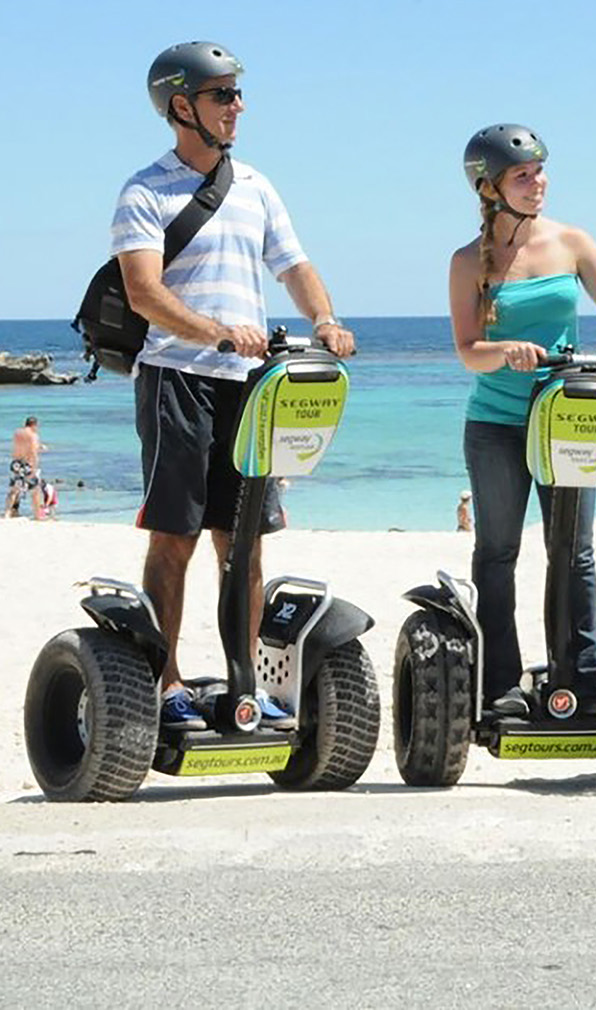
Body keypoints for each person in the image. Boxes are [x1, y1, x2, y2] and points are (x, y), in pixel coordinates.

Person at [113, 41, 355, 729]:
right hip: (176, 379)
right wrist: (212, 329)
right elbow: (143, 293)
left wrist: (326, 319)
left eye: (240, 94)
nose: (238, 106)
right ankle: (166, 687)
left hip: (249, 383)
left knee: (244, 540)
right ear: (181, 106)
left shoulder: (255, 187)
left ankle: (247, 683)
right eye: (223, 95)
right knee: (175, 538)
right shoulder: (145, 190)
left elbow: (295, 267)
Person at [450, 123, 596, 720]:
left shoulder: (571, 242)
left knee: (575, 551)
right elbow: (468, 349)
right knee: (497, 552)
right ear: (489, 187)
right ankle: (500, 685)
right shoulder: (468, 262)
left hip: (566, 420)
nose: (537, 182)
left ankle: (583, 680)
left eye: (540, 171)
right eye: (523, 175)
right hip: (496, 422)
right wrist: (505, 350)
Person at [4, 417, 47, 519]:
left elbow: (21, 445)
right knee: (35, 490)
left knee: (14, 489)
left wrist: (38, 446)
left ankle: (7, 513)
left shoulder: (17, 433)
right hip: (27, 464)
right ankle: (37, 516)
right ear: (34, 425)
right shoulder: (33, 435)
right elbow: (33, 452)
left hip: (16, 463)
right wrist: (34, 467)